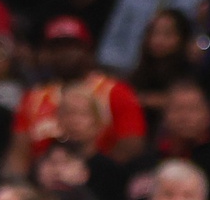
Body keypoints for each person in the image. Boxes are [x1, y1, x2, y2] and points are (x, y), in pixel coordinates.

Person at [9, 18, 147, 174]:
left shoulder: (116, 92)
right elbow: (19, 153)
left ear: (87, 50)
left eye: (72, 47)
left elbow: (131, 147)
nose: (64, 54)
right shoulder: (33, 98)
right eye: (57, 48)